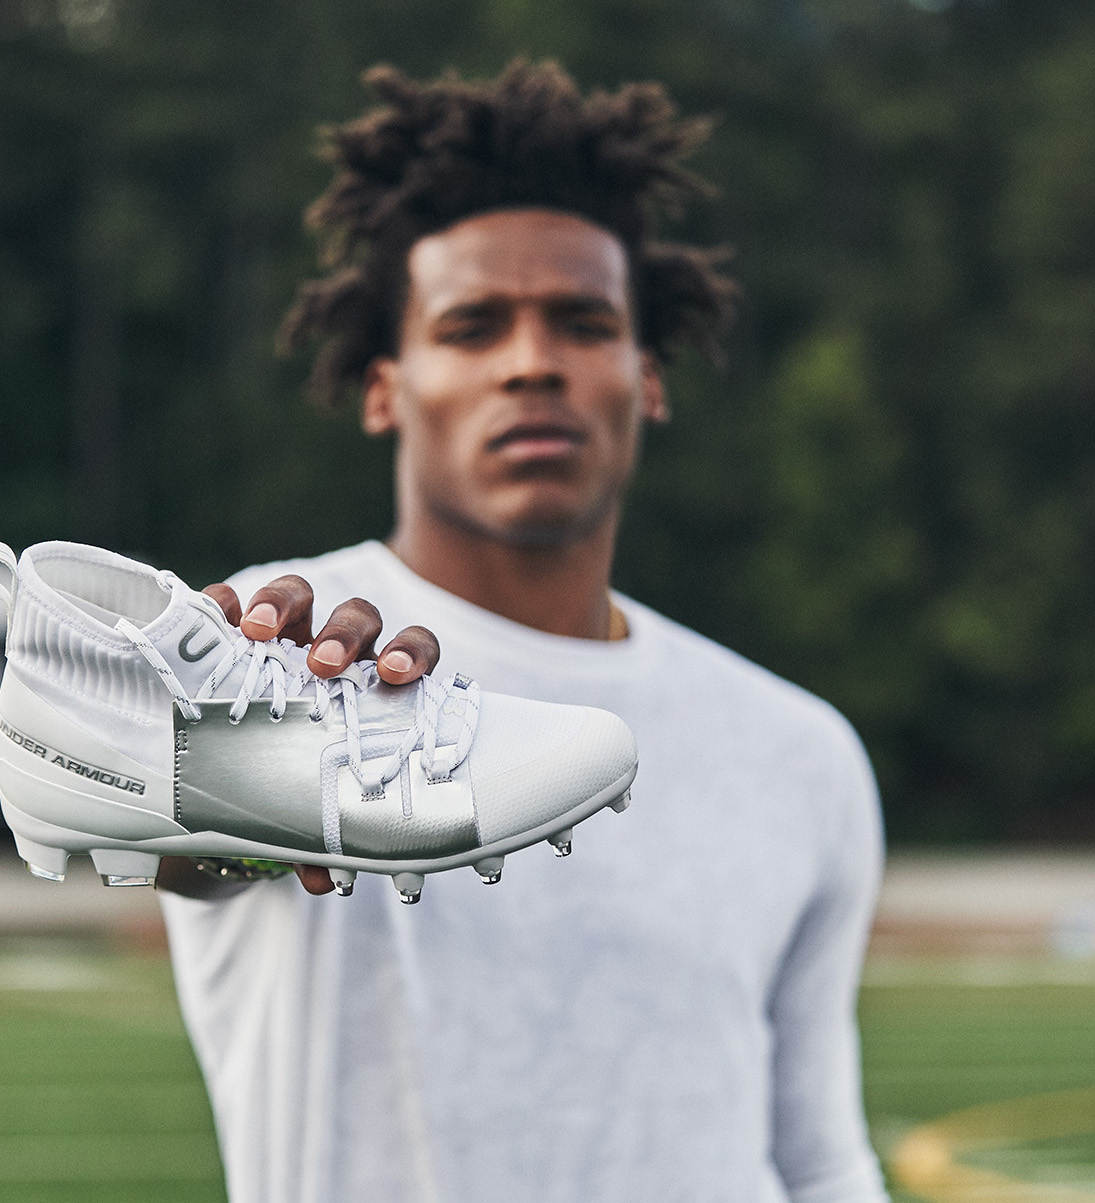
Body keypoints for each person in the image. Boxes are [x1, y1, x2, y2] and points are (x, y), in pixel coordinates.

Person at [156, 61, 889, 1203]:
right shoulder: (280, 654)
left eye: (583, 323)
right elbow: (180, 842)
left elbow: (816, 1155)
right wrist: (211, 763)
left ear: (644, 379)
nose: (532, 361)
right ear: (386, 388)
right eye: (473, 324)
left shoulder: (802, 753)